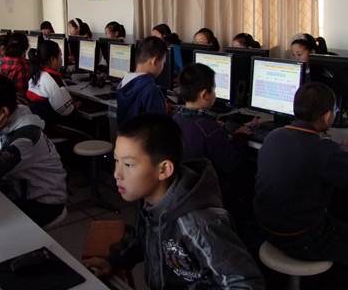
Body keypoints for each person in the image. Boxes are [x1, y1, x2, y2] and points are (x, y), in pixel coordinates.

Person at [84, 114, 264, 289]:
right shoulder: (151, 203)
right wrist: (114, 261)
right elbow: (144, 239)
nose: (117, 174)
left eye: (128, 164)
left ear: (164, 170)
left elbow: (246, 284)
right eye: (116, 161)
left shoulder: (199, 224)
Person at [254, 82, 348, 290]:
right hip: (301, 238)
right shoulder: (323, 150)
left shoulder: (274, 136)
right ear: (326, 116)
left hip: (267, 228)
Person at [0, 74, 67, 227]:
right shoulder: (13, 117)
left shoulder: (24, 139)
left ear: (2, 112)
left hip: (45, 204)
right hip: (21, 192)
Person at [172, 63, 255, 212]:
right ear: (205, 95)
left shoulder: (175, 119)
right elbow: (231, 164)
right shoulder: (209, 129)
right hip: (210, 195)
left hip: (184, 193)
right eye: (214, 89)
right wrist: (240, 136)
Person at [26, 41, 75, 133]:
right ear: (53, 59)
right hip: (56, 129)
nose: (62, 58)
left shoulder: (35, 75)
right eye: (60, 55)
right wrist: (76, 104)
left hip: (41, 126)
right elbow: (68, 112)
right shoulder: (54, 81)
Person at [116, 36, 167, 126]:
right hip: (144, 135)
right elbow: (158, 127)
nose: (163, 66)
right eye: (163, 62)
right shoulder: (151, 89)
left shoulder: (124, 82)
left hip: (126, 134)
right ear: (154, 61)